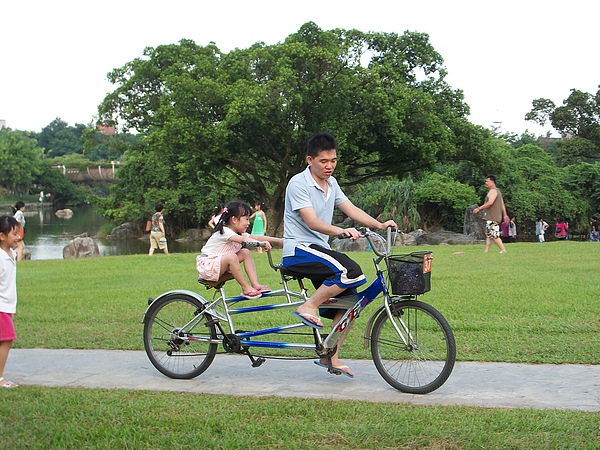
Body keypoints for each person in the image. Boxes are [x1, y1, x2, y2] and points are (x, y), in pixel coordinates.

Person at [282, 132, 397, 378]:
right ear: (310, 160)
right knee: (351, 271)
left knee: (351, 304)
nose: (330, 166)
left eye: (333, 160)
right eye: (324, 161)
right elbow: (311, 221)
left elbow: (351, 209)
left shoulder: (332, 184)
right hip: (299, 250)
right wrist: (340, 230)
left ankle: (329, 356)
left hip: (319, 250)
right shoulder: (298, 183)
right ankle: (309, 306)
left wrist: (379, 225)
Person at [196, 201, 283, 299]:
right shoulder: (225, 231)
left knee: (245, 252)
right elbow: (243, 240)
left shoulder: (238, 233)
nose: (248, 223)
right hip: (207, 267)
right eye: (246, 219)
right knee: (231, 256)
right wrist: (260, 244)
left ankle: (255, 284)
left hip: (219, 265)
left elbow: (257, 237)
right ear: (234, 219)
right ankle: (245, 287)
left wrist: (279, 241)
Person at [0, 215, 20, 388]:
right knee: (7, 340)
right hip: (1, 307)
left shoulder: (10, 254)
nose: (17, 237)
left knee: (5, 340)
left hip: (7, 306)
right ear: (2, 236)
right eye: (14, 234)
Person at [473, 176, 509, 253]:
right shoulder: (498, 191)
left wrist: (479, 208)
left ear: (492, 182)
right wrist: (505, 215)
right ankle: (486, 251)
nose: (486, 183)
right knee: (489, 235)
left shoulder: (493, 191)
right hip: (493, 217)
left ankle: (503, 250)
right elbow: (502, 204)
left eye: (487, 181)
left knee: (494, 235)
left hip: (493, 217)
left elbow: (490, 203)